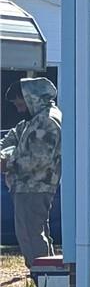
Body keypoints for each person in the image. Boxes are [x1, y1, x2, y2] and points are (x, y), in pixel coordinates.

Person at [0, 77, 61, 263]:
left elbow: (38, 159)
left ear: (30, 98)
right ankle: (45, 272)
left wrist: (6, 163)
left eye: (20, 104)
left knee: (31, 234)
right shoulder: (33, 120)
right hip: (28, 186)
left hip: (35, 187)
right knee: (33, 232)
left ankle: (40, 273)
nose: (19, 110)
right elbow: (13, 135)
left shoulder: (47, 121)